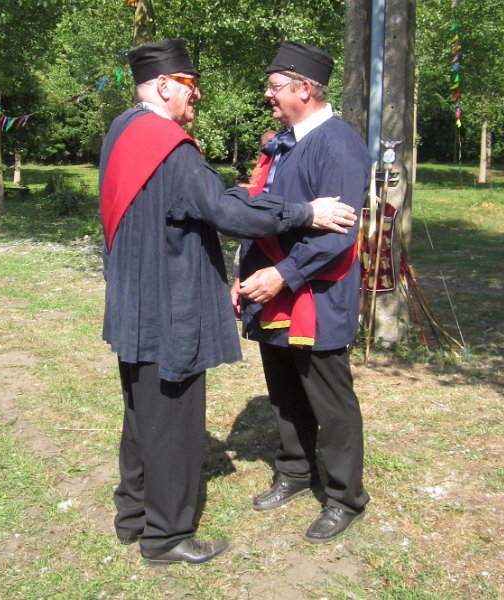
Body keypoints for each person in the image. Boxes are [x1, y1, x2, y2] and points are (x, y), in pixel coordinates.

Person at [99, 39, 356, 565]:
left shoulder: (122, 130)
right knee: (170, 419)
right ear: (166, 86)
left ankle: (133, 514)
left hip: (135, 301)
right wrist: (304, 212)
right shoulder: (168, 145)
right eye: (190, 87)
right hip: (169, 305)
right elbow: (224, 208)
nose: (195, 99)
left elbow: (228, 199)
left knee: (141, 411)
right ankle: (166, 536)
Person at [232, 41, 371, 544]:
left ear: (304, 88)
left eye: (274, 88)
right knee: (285, 392)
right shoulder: (283, 141)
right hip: (274, 293)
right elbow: (263, 211)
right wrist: (246, 274)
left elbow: (340, 231)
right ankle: (294, 471)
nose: (268, 97)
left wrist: (283, 275)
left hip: (315, 296)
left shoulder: (338, 145)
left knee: (330, 401)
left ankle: (344, 497)